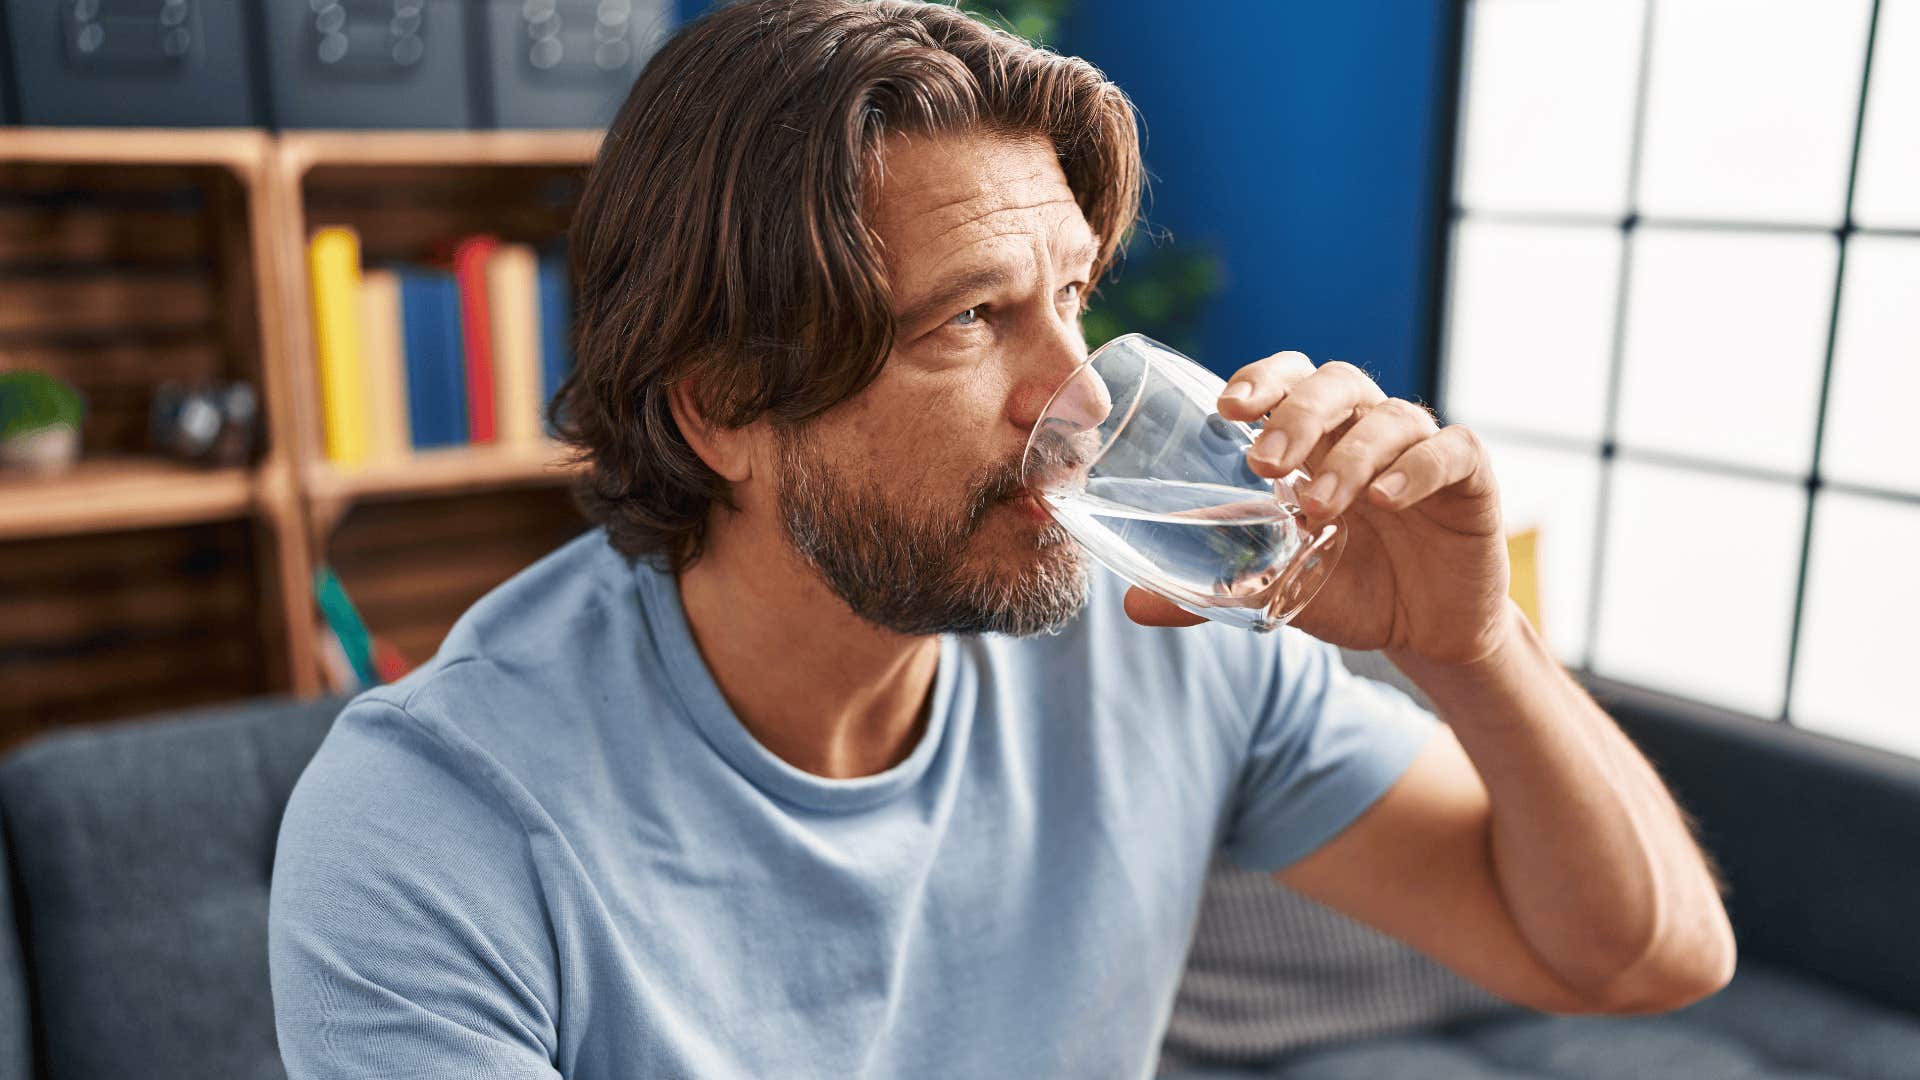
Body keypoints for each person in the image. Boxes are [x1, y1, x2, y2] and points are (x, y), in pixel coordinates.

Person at [266, 2, 1735, 1076]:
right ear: (722, 408)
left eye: (1076, 297)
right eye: (970, 319)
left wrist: (1473, 648)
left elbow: (1642, 957)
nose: (1083, 394)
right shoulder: (434, 824)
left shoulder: (1157, 630)